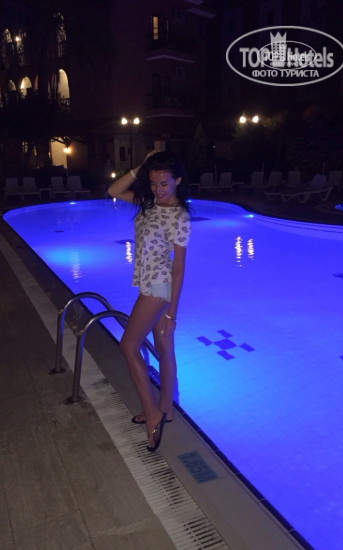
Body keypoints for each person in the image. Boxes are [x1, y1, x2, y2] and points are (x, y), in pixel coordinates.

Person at [108, 151, 191, 452]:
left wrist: (172, 313)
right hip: (152, 285)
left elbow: (179, 267)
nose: (159, 189)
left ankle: (151, 411)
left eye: (165, 183)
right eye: (154, 183)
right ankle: (166, 408)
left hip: (158, 288)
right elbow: (113, 190)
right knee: (165, 350)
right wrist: (142, 166)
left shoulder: (180, 216)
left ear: (178, 180)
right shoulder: (149, 203)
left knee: (128, 346)